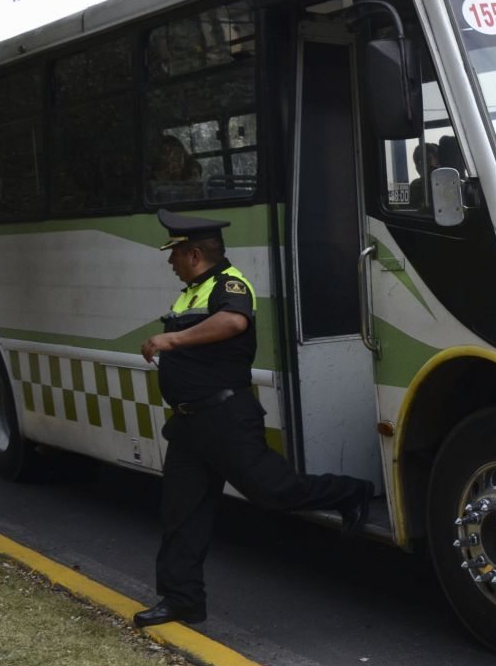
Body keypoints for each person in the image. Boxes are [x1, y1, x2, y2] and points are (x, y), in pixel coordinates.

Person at [133, 209, 375, 628]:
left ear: (193, 254)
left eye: (174, 255)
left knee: (274, 491)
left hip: (225, 418)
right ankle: (182, 599)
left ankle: (350, 493)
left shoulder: (229, 284)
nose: (170, 263)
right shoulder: (192, 291)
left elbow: (233, 321)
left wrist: (171, 338)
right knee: (180, 514)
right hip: (190, 425)